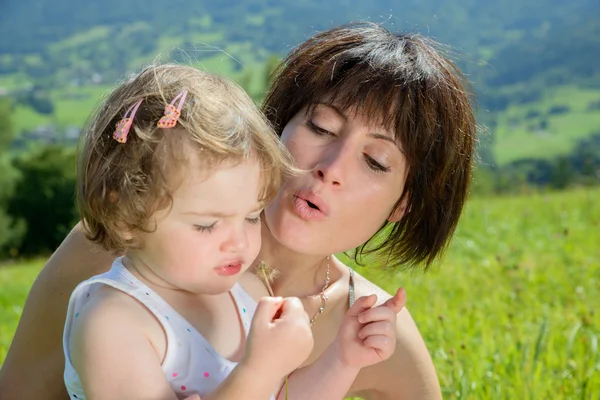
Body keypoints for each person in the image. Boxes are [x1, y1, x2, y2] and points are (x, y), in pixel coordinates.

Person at [0, 22, 476, 400]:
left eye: (375, 161)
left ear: (403, 204)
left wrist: (344, 361)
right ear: (276, 128)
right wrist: (259, 369)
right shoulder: (116, 245)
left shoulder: (371, 324)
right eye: (321, 126)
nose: (330, 169)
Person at [60, 63, 404, 400]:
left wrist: (342, 360)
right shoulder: (112, 324)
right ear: (126, 217)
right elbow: (259, 382)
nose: (240, 242)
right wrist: (258, 370)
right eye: (207, 225)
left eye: (253, 217)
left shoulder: (246, 291)